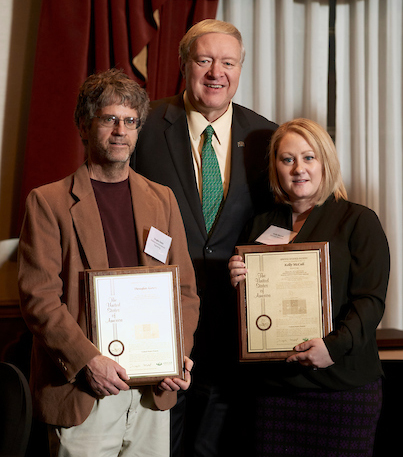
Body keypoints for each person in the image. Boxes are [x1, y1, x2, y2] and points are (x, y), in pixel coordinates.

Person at [18, 68, 200, 457]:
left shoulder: (162, 198)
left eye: (130, 121)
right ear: (84, 126)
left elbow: (184, 291)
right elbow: (39, 299)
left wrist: (175, 355)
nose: (121, 130)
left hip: (153, 392)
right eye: (109, 119)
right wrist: (89, 362)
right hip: (84, 390)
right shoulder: (48, 202)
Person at [132, 18, 278, 457]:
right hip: (159, 321)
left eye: (228, 62)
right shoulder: (144, 125)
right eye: (205, 59)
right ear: (184, 65)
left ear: (239, 70)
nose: (217, 71)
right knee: (157, 443)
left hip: (234, 326)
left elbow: (280, 220)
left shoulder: (265, 136)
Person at [229, 118, 390, 457]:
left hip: (342, 390)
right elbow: (250, 309)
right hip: (274, 392)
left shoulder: (359, 221)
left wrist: (333, 347)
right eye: (287, 159)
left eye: (308, 157)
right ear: (276, 166)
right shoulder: (260, 225)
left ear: (325, 162)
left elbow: (370, 301)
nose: (298, 168)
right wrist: (238, 281)